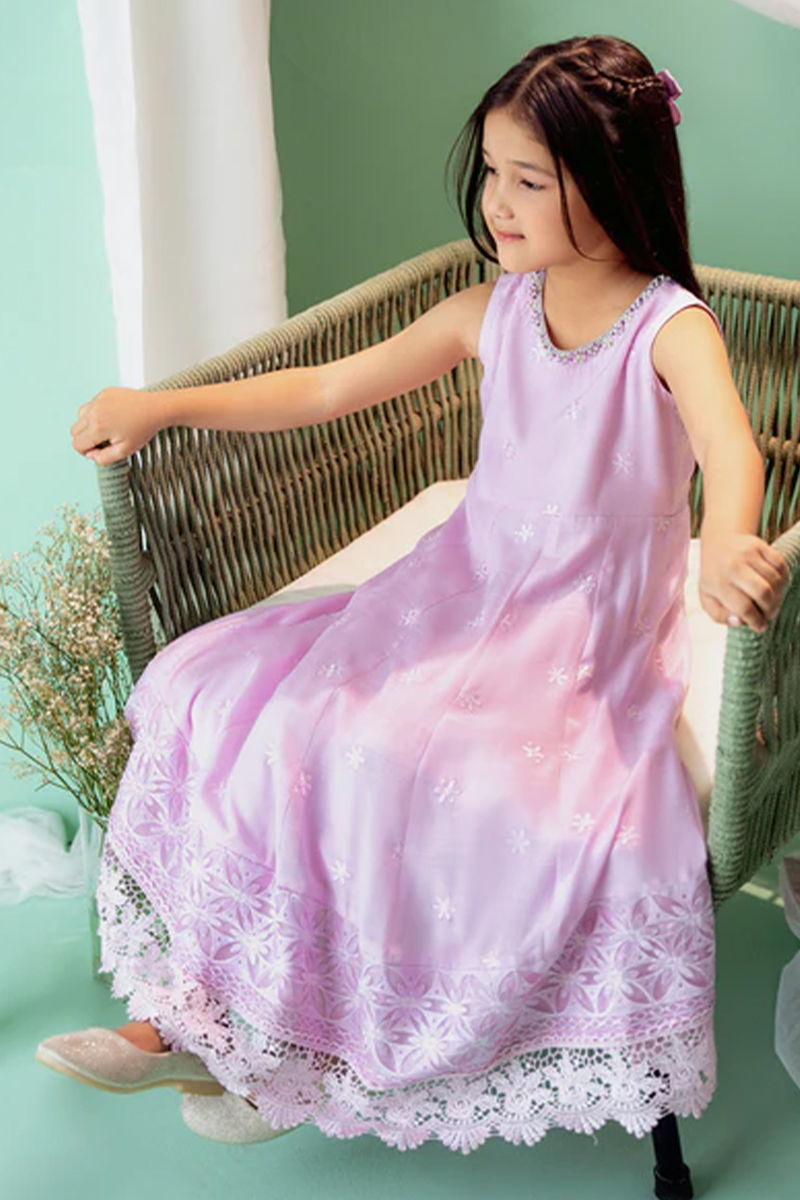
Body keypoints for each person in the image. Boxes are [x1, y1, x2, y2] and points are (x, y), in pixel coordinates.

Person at [37, 33, 789, 1152]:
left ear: (611, 182)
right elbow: (327, 388)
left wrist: (727, 543)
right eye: (490, 172)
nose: (497, 203)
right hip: (454, 590)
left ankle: (295, 1057)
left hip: (576, 630)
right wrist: (161, 406)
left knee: (408, 769)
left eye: (529, 180)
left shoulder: (668, 327)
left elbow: (731, 447)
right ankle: (215, 1026)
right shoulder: (495, 309)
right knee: (264, 711)